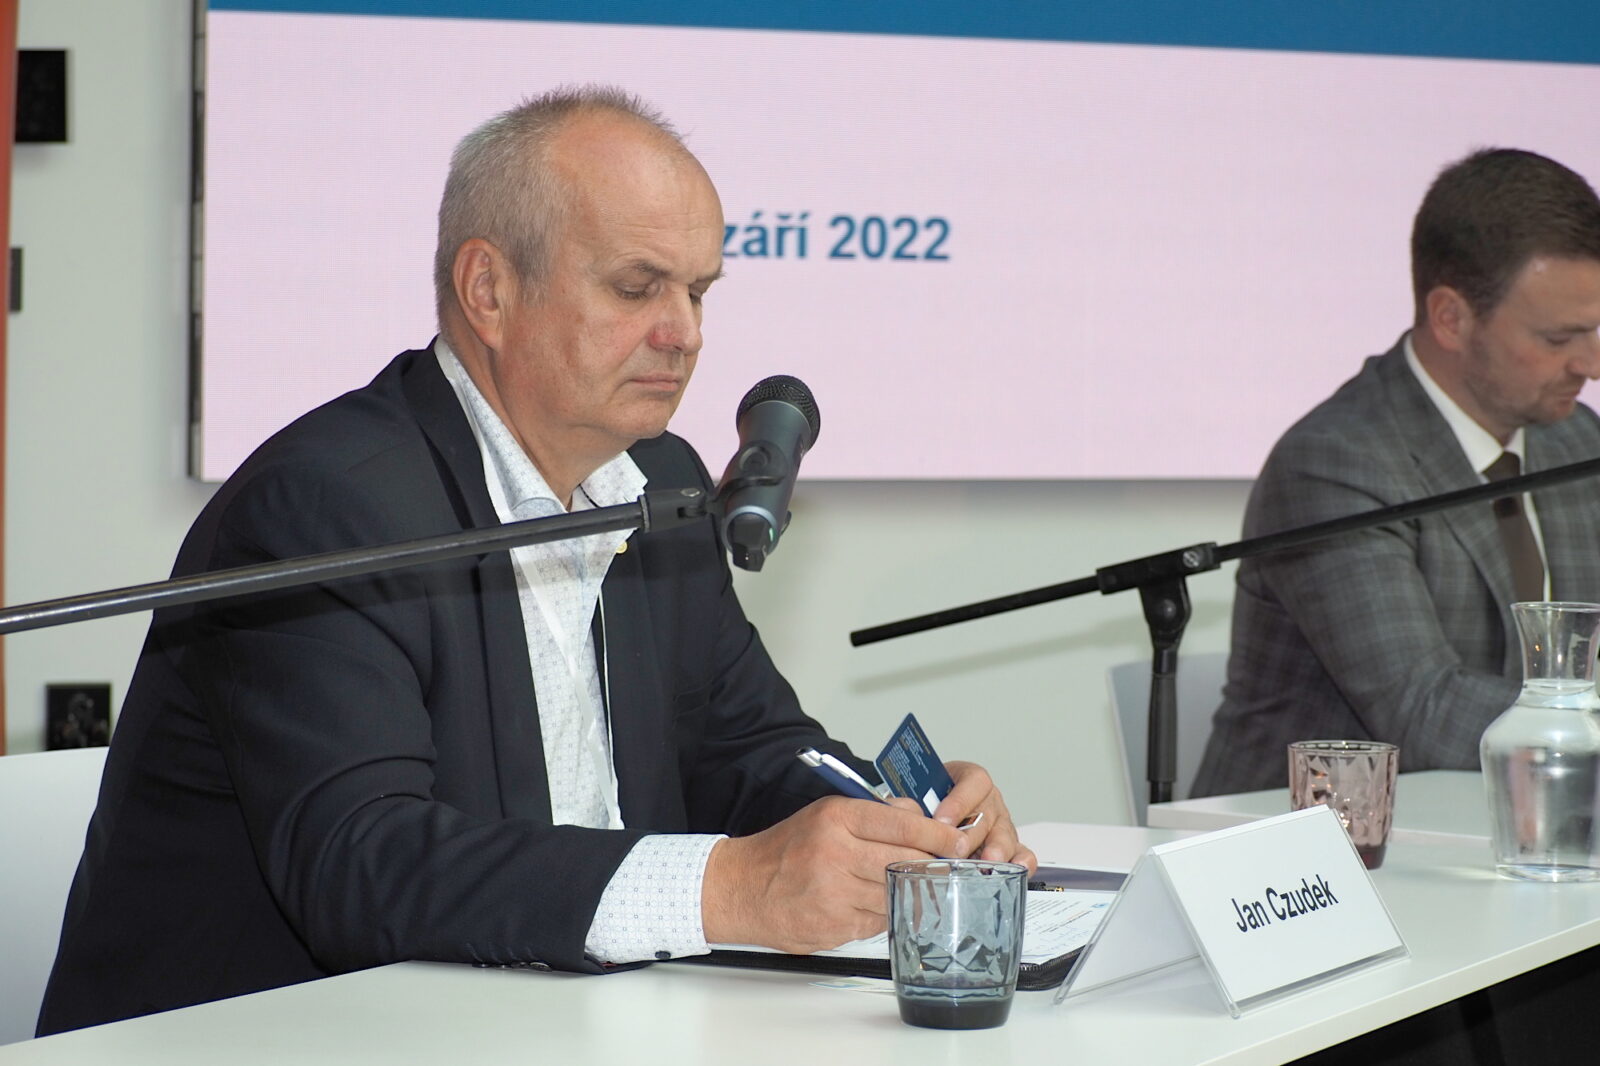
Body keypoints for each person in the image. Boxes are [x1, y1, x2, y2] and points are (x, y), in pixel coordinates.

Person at [37, 87, 1033, 1035]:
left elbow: (747, 748)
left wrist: (893, 823)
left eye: (697, 291)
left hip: (551, 1026)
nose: (685, 334)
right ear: (490, 290)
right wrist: (732, 886)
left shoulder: (661, 483)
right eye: (637, 287)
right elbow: (364, 863)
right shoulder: (327, 504)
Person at [1193, 147, 1600, 797]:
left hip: (1514, 824)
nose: (1591, 365)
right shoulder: (1336, 463)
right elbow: (1422, 711)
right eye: (1558, 340)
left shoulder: (1578, 442)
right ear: (1451, 318)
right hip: (1319, 841)